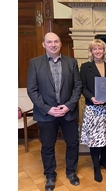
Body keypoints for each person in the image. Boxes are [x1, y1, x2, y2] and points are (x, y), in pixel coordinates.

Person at [26, 32, 82, 191]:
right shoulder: (35, 63)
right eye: (49, 42)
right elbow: (32, 90)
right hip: (46, 114)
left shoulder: (71, 62)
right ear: (44, 44)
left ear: (60, 43)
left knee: (72, 143)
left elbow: (77, 87)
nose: (53, 44)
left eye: (56, 41)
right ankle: (50, 175)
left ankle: (71, 172)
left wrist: (69, 106)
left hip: (68, 112)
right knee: (47, 146)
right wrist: (48, 109)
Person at [79, 39, 106, 182]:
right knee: (95, 138)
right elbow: (82, 87)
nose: (98, 51)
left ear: (104, 51)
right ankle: (96, 167)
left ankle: (104, 161)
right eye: (95, 49)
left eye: (100, 49)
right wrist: (91, 98)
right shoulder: (85, 67)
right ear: (91, 51)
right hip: (93, 107)